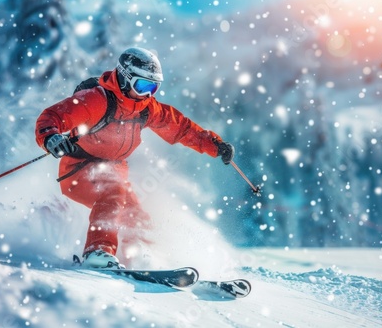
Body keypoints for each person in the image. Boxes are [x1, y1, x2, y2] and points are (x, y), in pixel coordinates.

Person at [35, 47, 234, 269]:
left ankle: (140, 256)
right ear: (125, 78)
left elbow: (181, 128)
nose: (148, 94)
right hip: (79, 169)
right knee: (112, 194)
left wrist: (214, 145)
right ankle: (97, 252)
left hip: (114, 171)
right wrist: (51, 137)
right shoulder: (96, 100)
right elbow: (52, 117)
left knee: (136, 215)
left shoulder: (146, 109)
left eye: (153, 88)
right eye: (143, 86)